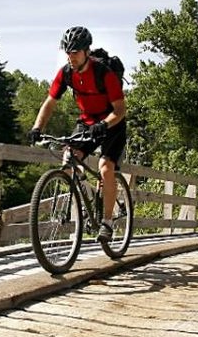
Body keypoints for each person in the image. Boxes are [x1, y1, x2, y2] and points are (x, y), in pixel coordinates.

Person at [28, 25, 127, 241]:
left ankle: (108, 223)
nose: (70, 57)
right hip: (87, 121)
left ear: (86, 52)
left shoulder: (104, 73)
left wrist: (105, 124)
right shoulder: (66, 74)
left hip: (112, 123)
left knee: (105, 169)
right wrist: (37, 127)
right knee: (68, 158)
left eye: (75, 52)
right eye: (68, 52)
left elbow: (120, 110)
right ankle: (89, 195)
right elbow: (50, 103)